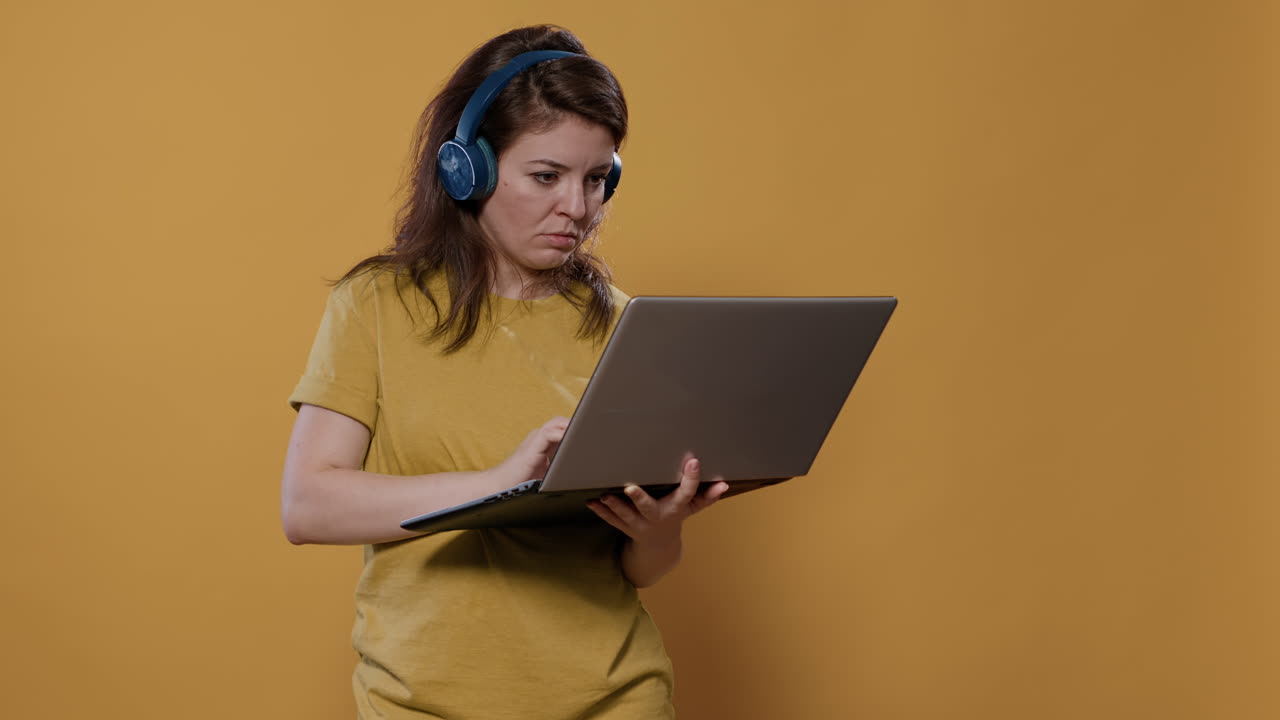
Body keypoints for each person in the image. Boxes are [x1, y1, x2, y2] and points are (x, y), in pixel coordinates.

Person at [282, 25, 729, 720]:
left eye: (595, 179)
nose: (576, 209)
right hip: (422, 703)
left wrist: (659, 531)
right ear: (469, 168)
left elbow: (636, 570)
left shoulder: (625, 326)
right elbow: (307, 506)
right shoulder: (375, 305)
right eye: (546, 176)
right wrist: (496, 485)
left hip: (615, 699)